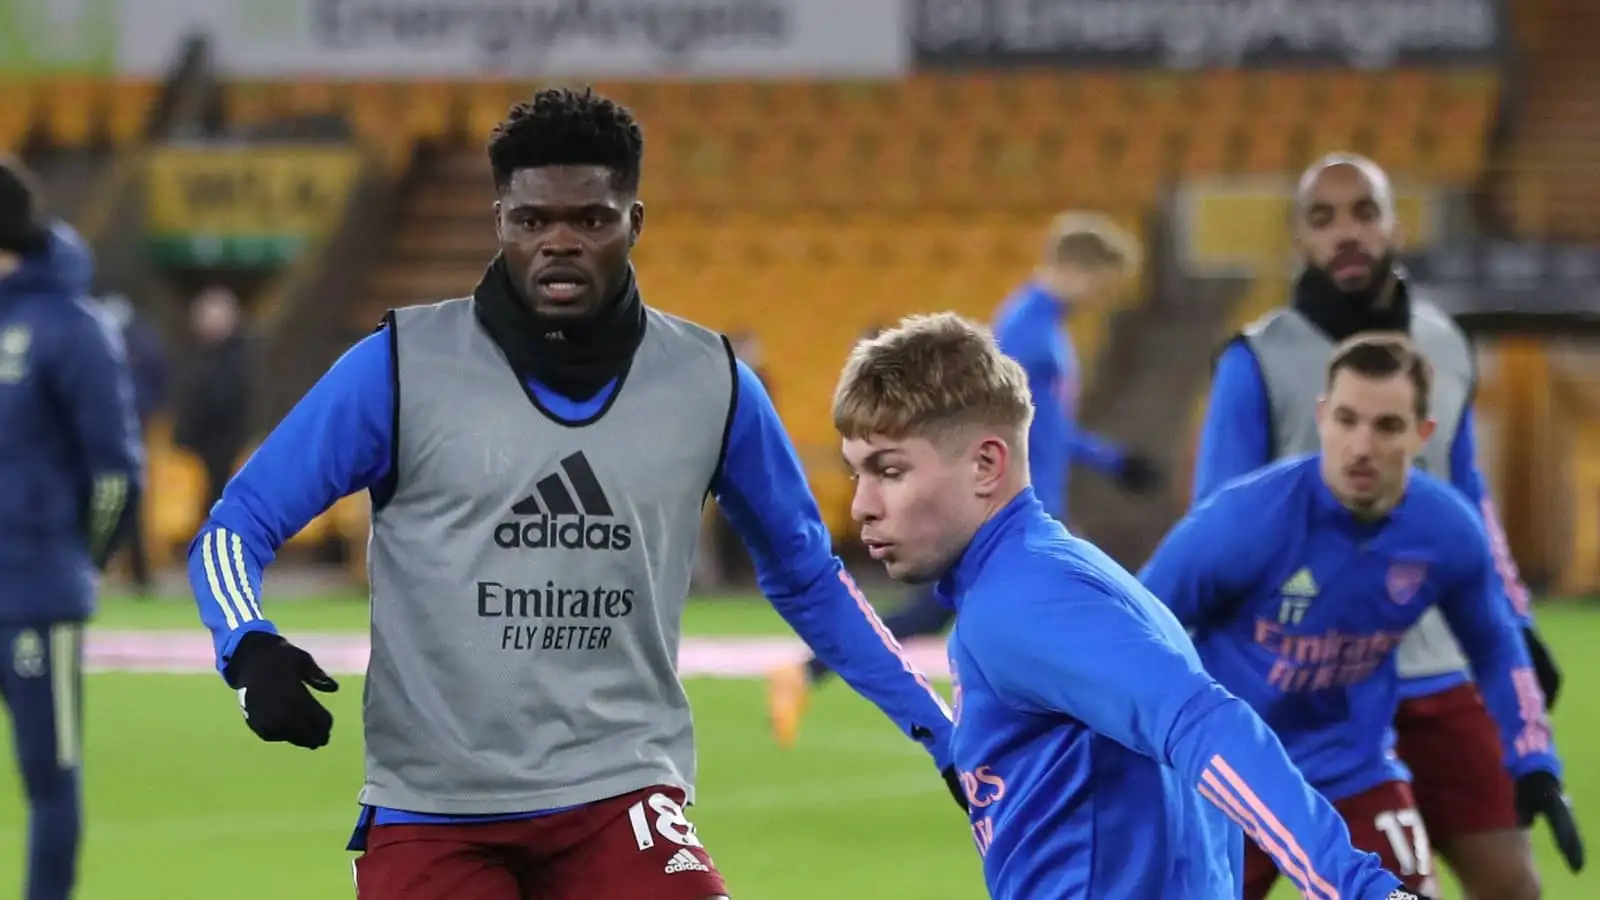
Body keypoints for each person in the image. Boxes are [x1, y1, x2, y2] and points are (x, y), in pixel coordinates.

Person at [185, 88, 958, 900]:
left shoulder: (711, 384)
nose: (559, 242)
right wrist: (248, 646)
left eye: (590, 220)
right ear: (499, 221)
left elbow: (808, 578)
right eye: (532, 222)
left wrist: (941, 734)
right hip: (434, 805)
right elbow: (237, 527)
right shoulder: (399, 368)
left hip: (618, 791)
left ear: (635, 222)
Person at [832, 311, 1425, 900]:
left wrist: (1360, 887)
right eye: (856, 473)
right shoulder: (1056, 571)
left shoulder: (1021, 604)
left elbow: (1203, 722)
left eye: (890, 470)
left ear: (986, 465)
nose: (862, 505)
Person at [1192, 152, 1566, 899]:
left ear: (1395, 223)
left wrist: (1513, 619)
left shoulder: (1447, 342)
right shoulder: (1256, 360)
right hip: (1306, 690)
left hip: (1437, 670)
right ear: (1299, 240)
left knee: (1513, 886)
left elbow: (1469, 494)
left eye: (1363, 211)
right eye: (1323, 219)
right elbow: (1217, 529)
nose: (1347, 233)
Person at [1143, 334, 1583, 898]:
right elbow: (1139, 629)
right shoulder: (1243, 519)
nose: (1361, 446)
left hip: (1355, 773)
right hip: (1232, 776)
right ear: (1322, 417)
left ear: (1423, 434)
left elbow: (1494, 645)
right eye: (1347, 419)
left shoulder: (1444, 530)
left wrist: (1534, 760)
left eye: (1387, 426)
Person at [767, 211, 1163, 749]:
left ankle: (811, 672)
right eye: (1103, 281)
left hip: (1031, 499)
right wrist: (1109, 461)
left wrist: (1115, 463)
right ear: (1078, 267)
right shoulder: (1029, 329)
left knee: (957, 612)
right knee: (1048, 607)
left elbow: (1047, 424)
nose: (1103, 295)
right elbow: (1011, 421)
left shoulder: (1038, 324)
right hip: (1016, 501)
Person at [0, 159, 143, 900]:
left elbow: (115, 472)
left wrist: (75, 563)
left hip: (33, 596)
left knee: (47, 776)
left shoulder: (70, 326)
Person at [100, 292, 167, 595]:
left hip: (131, 431)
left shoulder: (137, 340)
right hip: (113, 433)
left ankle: (135, 570)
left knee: (129, 500)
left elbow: (156, 384)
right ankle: (107, 566)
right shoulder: (98, 334)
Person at [173, 284, 251, 519]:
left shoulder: (229, 360)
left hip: (218, 446)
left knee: (216, 504)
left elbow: (218, 400)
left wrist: (190, 431)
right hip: (209, 447)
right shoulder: (209, 357)